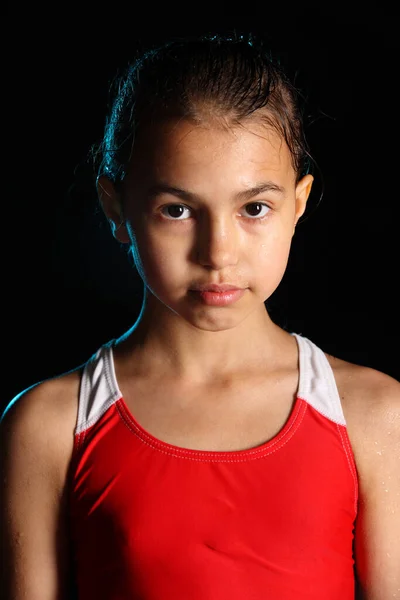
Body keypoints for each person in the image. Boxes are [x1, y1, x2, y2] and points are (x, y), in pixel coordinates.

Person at [1, 30, 399, 600]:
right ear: (116, 208)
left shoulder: (376, 418)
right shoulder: (48, 428)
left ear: (299, 204)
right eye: (178, 209)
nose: (218, 253)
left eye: (254, 208)